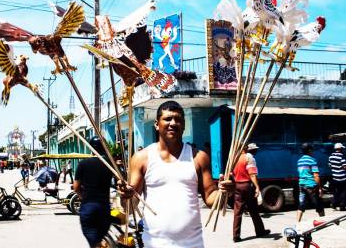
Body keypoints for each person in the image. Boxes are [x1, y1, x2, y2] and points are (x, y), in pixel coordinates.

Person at [120, 100, 233, 248]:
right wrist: (126, 196)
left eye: (178, 119)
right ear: (156, 124)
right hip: (154, 244)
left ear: (184, 125)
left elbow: (211, 197)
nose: (173, 123)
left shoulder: (199, 157)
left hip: (193, 244)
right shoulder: (142, 158)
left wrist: (225, 192)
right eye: (167, 119)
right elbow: (131, 205)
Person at [74, 136, 114, 248]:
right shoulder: (110, 164)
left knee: (94, 243)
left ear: (91, 148)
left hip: (88, 207)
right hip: (104, 208)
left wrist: (82, 196)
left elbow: (76, 187)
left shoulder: (83, 164)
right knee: (100, 239)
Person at [232, 143, 270, 242]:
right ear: (246, 148)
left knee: (237, 212)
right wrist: (257, 187)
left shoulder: (234, 158)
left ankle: (236, 236)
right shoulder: (249, 157)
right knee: (253, 210)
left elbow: (232, 173)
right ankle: (260, 231)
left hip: (237, 185)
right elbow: (252, 174)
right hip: (247, 186)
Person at [297, 143, 325, 222]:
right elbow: (316, 175)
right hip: (311, 185)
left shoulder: (299, 161)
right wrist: (319, 188)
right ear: (309, 150)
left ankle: (297, 223)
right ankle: (323, 222)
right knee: (319, 204)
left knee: (301, 205)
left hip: (301, 185)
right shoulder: (312, 160)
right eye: (312, 149)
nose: (313, 151)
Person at [328, 143, 346, 211]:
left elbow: (329, 165)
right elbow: (344, 167)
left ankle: (334, 204)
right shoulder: (342, 156)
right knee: (344, 192)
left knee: (337, 191)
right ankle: (342, 205)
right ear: (340, 149)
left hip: (335, 177)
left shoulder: (331, 156)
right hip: (343, 177)